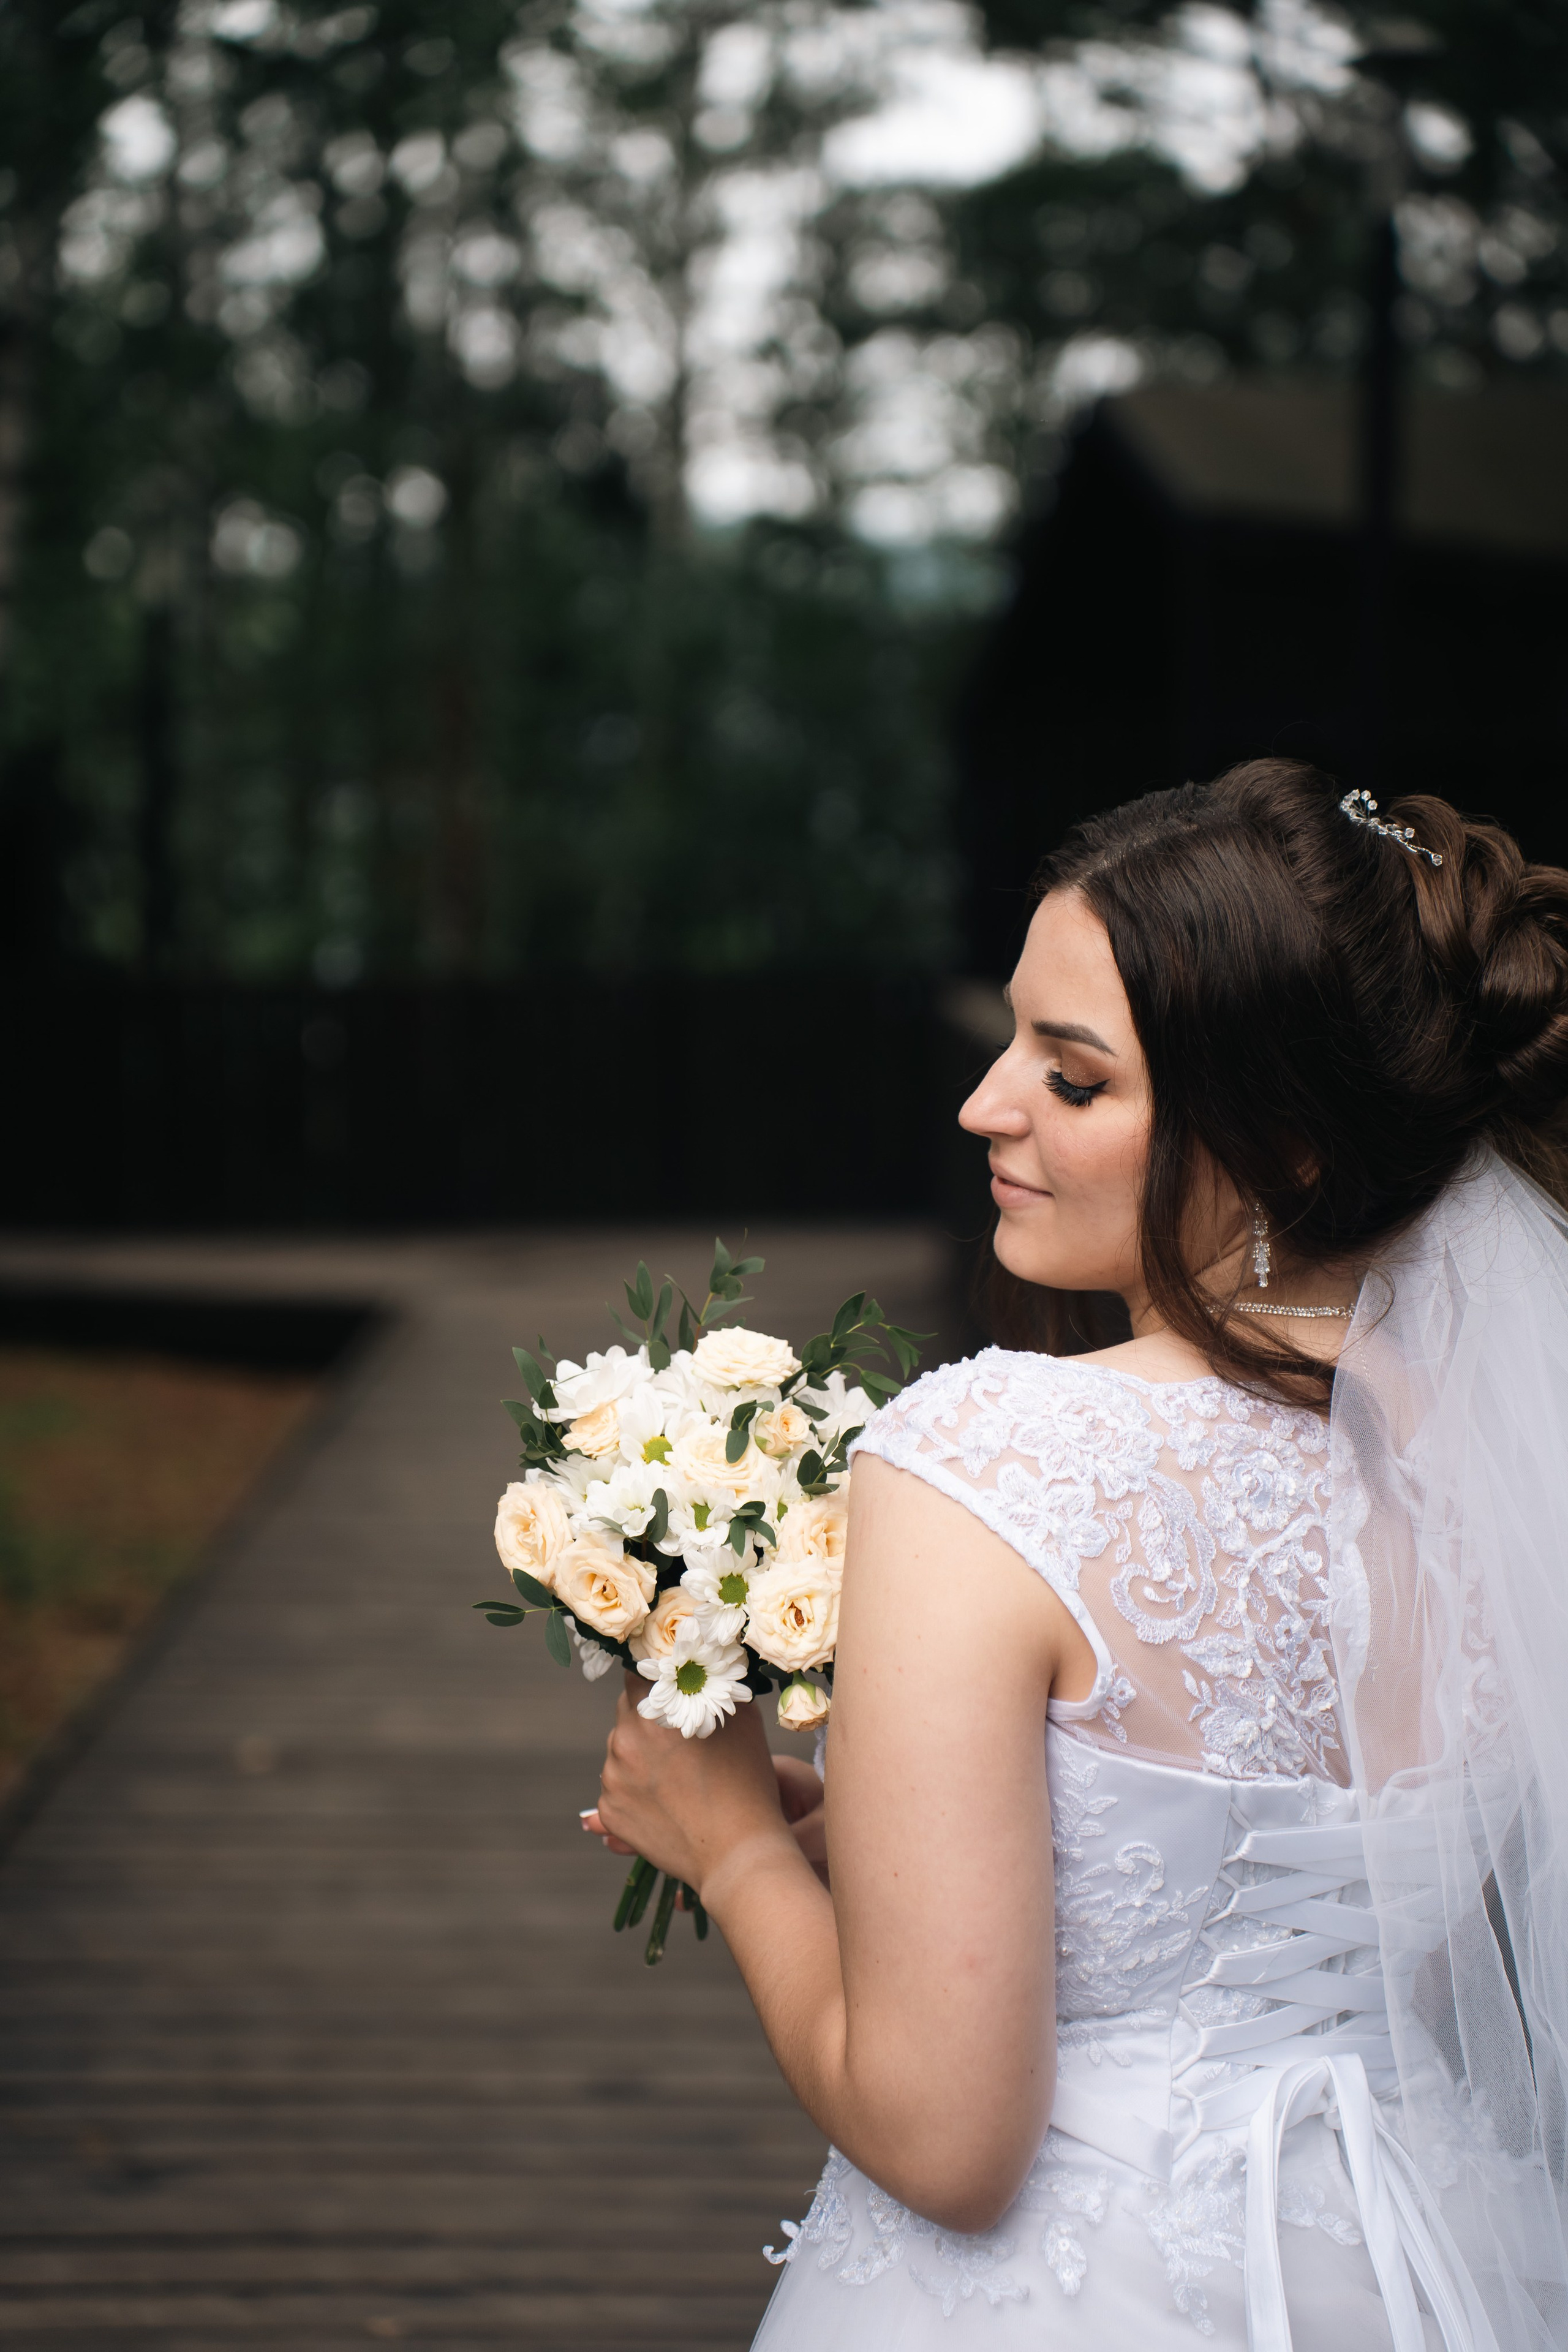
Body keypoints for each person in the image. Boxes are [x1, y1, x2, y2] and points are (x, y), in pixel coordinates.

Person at [586, 759, 1568, 2350]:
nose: (986, 1105)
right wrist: (902, 1834)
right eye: (1009, 1047)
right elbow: (1372, 1926)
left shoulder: (992, 1464)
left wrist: (734, 1844)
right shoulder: (1516, 1462)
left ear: (1291, 1148)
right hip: (1430, 2267)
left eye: (1077, 1078)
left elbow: (947, 2141)